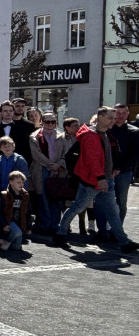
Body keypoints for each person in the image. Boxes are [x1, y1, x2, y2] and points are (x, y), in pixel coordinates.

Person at [53, 107, 138, 252]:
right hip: (93, 180)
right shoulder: (91, 136)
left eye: (114, 117)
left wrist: (108, 174)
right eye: (110, 117)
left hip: (103, 178)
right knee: (78, 207)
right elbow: (93, 160)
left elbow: (106, 157)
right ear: (100, 118)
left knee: (112, 210)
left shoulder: (104, 133)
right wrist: (100, 178)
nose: (114, 120)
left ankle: (124, 241)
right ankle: (60, 234)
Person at [29, 112, 68, 233]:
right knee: (43, 197)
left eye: (52, 122)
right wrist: (50, 165)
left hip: (58, 170)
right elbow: (36, 155)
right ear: (42, 122)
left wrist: (59, 165)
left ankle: (55, 224)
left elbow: (66, 153)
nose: (50, 124)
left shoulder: (62, 136)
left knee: (56, 198)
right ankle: (44, 224)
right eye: (47, 121)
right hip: (41, 169)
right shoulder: (34, 136)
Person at [109, 103, 139, 231]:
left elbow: (135, 155)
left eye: (123, 113)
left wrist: (119, 168)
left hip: (124, 172)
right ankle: (104, 230)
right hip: (106, 171)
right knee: (104, 202)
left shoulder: (135, 132)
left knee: (121, 202)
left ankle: (117, 229)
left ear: (128, 114)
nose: (120, 116)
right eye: (117, 113)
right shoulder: (107, 130)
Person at [0, 101, 33, 165]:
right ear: (1, 112)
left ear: (13, 112)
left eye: (10, 111)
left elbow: (25, 148)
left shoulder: (22, 128)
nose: (8, 113)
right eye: (5, 111)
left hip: (17, 162)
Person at [0, 170, 29, 250]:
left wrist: (29, 227)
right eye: (18, 182)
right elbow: (0, 212)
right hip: (9, 221)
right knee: (17, 232)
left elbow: (29, 212)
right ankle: (5, 241)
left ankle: (7, 243)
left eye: (22, 182)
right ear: (11, 182)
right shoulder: (5, 195)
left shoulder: (25, 196)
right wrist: (4, 224)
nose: (21, 184)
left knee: (16, 248)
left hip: (19, 221)